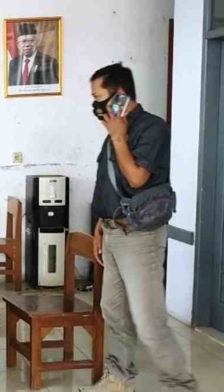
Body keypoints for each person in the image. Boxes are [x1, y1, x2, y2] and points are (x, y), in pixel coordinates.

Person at [81, 63, 196, 392]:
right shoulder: (114, 134)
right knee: (113, 310)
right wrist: (101, 224)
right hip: (114, 232)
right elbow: (109, 184)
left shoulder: (152, 129)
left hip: (140, 237)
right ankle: (119, 380)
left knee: (148, 322)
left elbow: (136, 178)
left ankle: (181, 383)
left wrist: (119, 138)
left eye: (98, 98)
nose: (95, 105)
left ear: (119, 96)